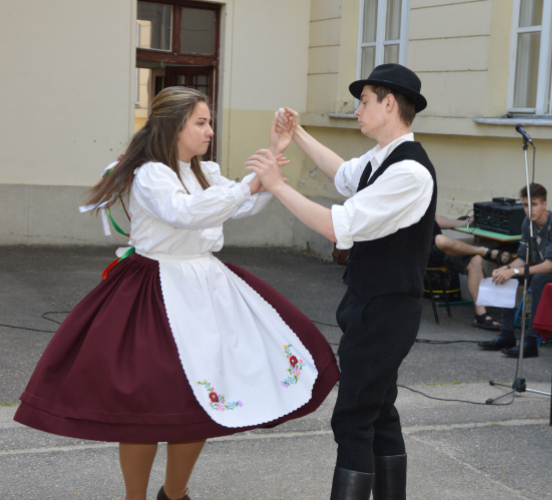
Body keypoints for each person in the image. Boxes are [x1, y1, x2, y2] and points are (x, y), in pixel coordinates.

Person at [13, 87, 339, 500]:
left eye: (209, 122)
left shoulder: (205, 172)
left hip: (206, 288)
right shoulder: (151, 174)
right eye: (200, 123)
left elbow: (236, 207)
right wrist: (250, 185)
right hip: (154, 293)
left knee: (199, 402)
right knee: (145, 406)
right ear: (174, 126)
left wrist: (270, 163)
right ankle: (135, 497)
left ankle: (175, 493)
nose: (209, 131)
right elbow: (184, 214)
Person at [247, 63, 433, 500]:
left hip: (387, 308)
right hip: (371, 303)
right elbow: (344, 173)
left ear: (389, 104)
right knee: (378, 411)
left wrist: (277, 185)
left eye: (363, 101)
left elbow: (338, 226)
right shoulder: (382, 159)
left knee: (352, 416)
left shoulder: (410, 172)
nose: (356, 109)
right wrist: (300, 132)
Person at [477, 183, 552, 358]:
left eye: (534, 205)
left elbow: (549, 265)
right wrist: (506, 269)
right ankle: (506, 335)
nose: (529, 210)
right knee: (507, 277)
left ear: (544, 204)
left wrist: (515, 271)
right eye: (526, 205)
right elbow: (521, 258)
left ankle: (531, 341)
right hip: (540, 270)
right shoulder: (527, 222)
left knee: (537, 280)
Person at [429, 215, 510, 330]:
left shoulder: (423, 202)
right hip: (422, 255)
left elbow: (435, 219)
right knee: (440, 239)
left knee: (475, 260)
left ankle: (480, 315)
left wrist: (465, 222)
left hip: (440, 252)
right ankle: (484, 251)